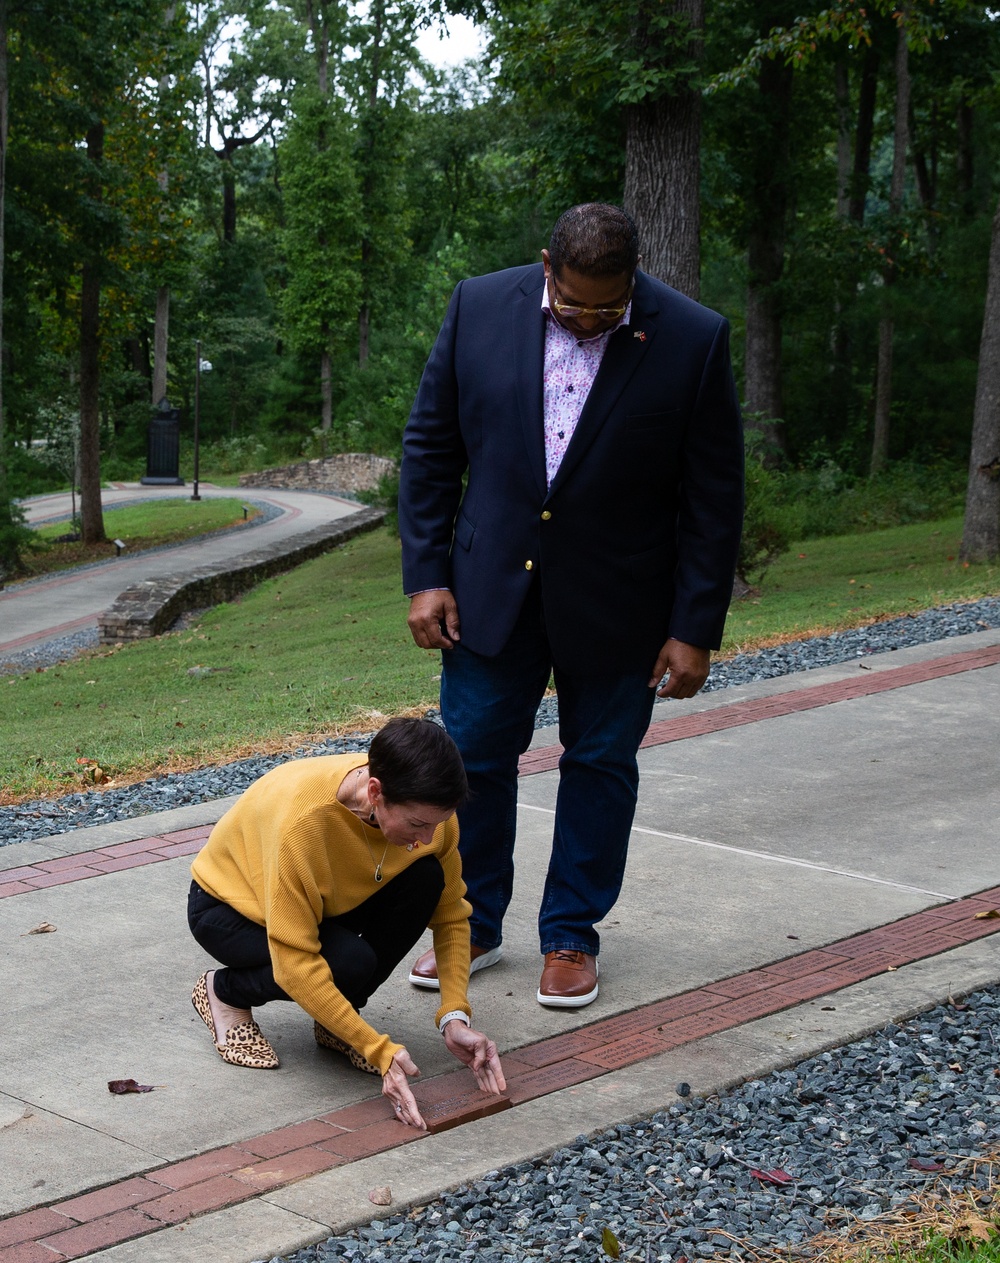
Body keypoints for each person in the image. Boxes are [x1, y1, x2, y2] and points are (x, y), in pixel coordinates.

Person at [398, 203, 744, 1009]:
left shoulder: (693, 337)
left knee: (599, 764)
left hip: (622, 603)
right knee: (473, 759)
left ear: (634, 279)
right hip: (489, 594)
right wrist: (426, 574)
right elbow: (430, 446)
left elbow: (714, 496)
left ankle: (571, 935)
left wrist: (694, 627)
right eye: (574, 303)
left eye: (607, 306)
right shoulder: (478, 305)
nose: (589, 320)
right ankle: (471, 925)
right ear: (547, 263)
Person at [187, 717, 505, 1130]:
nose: (428, 837)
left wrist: (454, 1016)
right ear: (375, 792)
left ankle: (337, 1020)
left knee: (427, 877)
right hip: (230, 907)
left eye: (437, 823)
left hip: (325, 899)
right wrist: (377, 1050)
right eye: (417, 825)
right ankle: (224, 991)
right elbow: (296, 965)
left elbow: (451, 916)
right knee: (347, 962)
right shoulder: (303, 826)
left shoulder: (432, 818)